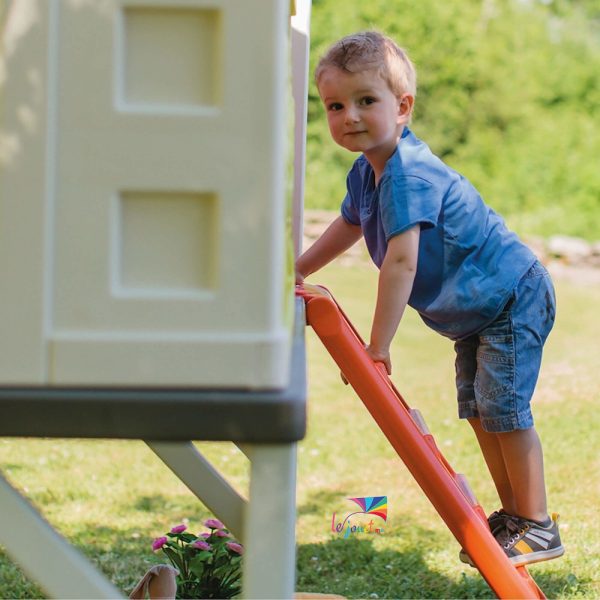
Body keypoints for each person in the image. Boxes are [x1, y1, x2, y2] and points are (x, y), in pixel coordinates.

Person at [296, 30, 564, 567]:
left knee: (504, 410)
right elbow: (349, 226)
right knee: (481, 413)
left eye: (366, 101)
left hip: (512, 296)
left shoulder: (409, 173)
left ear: (403, 107)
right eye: (335, 105)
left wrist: (377, 346)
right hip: (478, 314)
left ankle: (537, 525)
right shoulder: (366, 173)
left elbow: (401, 261)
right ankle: (514, 519)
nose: (349, 115)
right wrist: (294, 269)